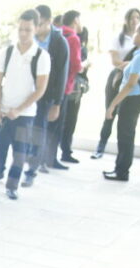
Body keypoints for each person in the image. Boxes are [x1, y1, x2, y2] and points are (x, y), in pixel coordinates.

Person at [0, 10, 49, 202]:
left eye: (28, 30)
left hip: (25, 115)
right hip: (3, 111)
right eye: (20, 29)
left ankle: (12, 187)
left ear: (36, 29)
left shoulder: (41, 56)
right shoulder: (7, 53)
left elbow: (40, 89)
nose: (23, 33)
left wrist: (19, 109)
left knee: (20, 154)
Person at [103, 21, 140, 181]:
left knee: (125, 137)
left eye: (137, 32)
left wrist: (112, 105)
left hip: (131, 100)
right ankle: (120, 169)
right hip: (137, 100)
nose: (134, 35)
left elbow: (130, 84)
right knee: (127, 135)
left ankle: (122, 171)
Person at [22, 5, 68, 188]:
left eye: (39, 24)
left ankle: (31, 171)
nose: (36, 28)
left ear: (49, 21)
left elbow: (62, 74)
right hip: (25, 94)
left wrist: (57, 103)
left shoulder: (59, 42)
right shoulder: (27, 38)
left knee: (38, 131)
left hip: (45, 95)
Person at [91, 7, 140, 159]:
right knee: (110, 112)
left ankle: (124, 155)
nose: (134, 21)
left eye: (137, 18)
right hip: (117, 79)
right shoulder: (118, 39)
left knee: (127, 119)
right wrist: (133, 64)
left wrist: (131, 65)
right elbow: (115, 61)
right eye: (132, 18)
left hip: (133, 80)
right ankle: (100, 147)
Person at [56, 10, 87, 165]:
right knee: (63, 122)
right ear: (75, 20)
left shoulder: (57, 33)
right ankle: (54, 156)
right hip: (66, 84)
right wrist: (85, 65)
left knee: (51, 122)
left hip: (52, 84)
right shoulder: (73, 38)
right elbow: (76, 65)